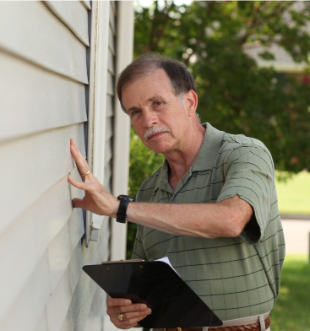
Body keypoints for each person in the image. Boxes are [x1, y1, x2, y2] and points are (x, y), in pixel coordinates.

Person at [68, 53, 285, 330]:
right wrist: (125, 310)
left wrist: (119, 207)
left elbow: (231, 219)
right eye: (135, 112)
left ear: (190, 102)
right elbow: (143, 283)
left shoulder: (244, 154)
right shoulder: (149, 189)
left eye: (157, 103)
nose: (147, 120)